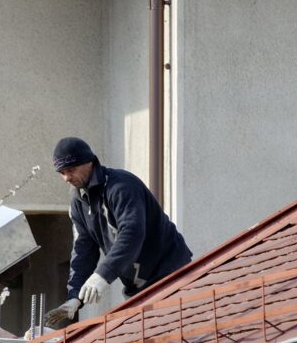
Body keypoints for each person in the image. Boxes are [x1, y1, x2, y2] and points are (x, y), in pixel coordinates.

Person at [44, 137, 192, 328]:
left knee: (179, 337)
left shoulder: (121, 186)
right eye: (61, 173)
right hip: (138, 288)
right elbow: (83, 250)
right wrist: (74, 297)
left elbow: (132, 233)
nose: (66, 178)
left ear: (88, 162)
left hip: (171, 273)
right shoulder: (78, 201)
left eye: (70, 170)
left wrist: (103, 274)